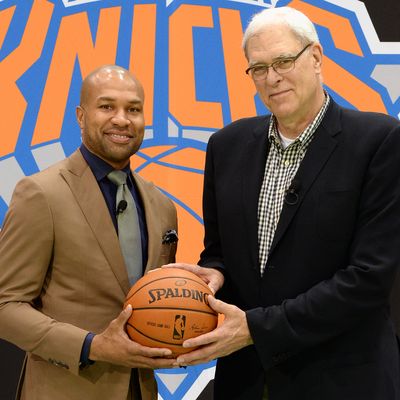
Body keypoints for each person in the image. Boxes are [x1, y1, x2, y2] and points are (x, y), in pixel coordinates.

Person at [165, 6, 400, 400]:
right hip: (246, 382)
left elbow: (368, 280)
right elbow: (219, 252)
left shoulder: (379, 142)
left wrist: (257, 329)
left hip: (342, 382)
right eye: (258, 68)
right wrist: (214, 274)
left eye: (284, 61)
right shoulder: (226, 147)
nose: (272, 78)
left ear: (316, 58)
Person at [0, 65, 178, 400]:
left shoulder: (162, 206)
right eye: (107, 107)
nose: (122, 120)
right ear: (81, 116)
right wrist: (91, 346)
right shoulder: (41, 194)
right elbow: (5, 306)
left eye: (134, 109)